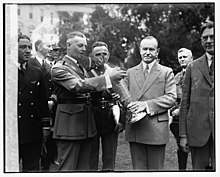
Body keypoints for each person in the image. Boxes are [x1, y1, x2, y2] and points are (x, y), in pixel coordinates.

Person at [51, 31, 126, 171]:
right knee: (68, 168)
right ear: (68, 45)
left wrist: (111, 95)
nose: (84, 49)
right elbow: (78, 86)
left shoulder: (81, 68)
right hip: (70, 126)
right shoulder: (59, 67)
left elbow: (89, 94)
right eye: (80, 45)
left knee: (85, 169)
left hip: (86, 126)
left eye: (85, 46)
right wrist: (108, 79)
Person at [124, 36, 176, 171]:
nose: (147, 52)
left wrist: (145, 105)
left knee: (155, 171)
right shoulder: (130, 72)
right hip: (136, 128)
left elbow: (171, 98)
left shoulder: (166, 72)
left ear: (157, 51)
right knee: (138, 170)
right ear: (139, 50)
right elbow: (124, 98)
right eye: (144, 49)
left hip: (156, 130)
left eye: (151, 49)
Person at [179, 21, 215, 171]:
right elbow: (184, 103)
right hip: (198, 134)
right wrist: (183, 135)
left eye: (212, 36)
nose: (208, 41)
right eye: (204, 38)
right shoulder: (192, 67)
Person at [87, 41, 125, 171]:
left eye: (104, 53)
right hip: (93, 115)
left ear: (108, 55)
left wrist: (122, 120)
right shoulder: (87, 73)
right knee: (91, 155)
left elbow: (125, 97)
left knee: (109, 156)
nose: (101, 57)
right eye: (98, 54)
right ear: (92, 56)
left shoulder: (115, 72)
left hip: (110, 116)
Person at [17, 35, 50, 171]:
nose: (27, 50)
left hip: (32, 129)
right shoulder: (5, 71)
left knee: (32, 168)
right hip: (11, 130)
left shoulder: (36, 72)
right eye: (22, 47)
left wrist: (45, 126)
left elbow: (42, 101)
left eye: (29, 47)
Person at [29, 39, 58, 171]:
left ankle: (46, 166)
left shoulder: (51, 67)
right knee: (34, 144)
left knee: (48, 139)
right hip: (32, 110)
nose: (51, 49)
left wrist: (53, 100)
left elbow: (55, 88)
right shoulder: (30, 64)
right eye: (48, 46)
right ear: (39, 48)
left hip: (49, 109)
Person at [169, 48, 193, 170]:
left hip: (194, 117)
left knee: (196, 147)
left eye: (185, 57)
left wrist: (182, 109)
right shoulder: (176, 77)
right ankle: (182, 171)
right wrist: (173, 109)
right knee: (181, 147)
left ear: (191, 58)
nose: (182, 59)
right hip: (178, 120)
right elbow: (172, 97)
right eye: (180, 57)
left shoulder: (197, 74)